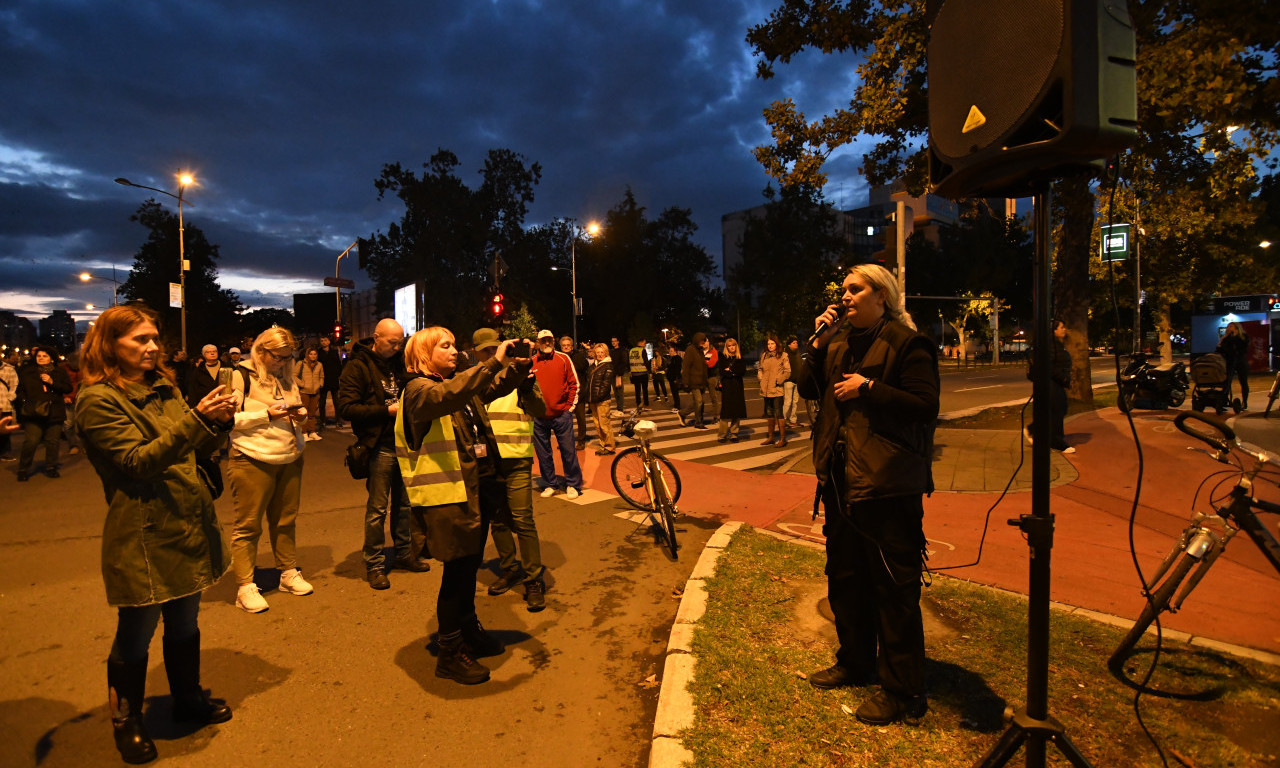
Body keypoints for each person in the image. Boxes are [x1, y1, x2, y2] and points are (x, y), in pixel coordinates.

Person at [75, 305, 238, 764]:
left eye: (153, 339)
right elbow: (136, 462)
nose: (151, 347)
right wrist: (197, 420)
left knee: (186, 622)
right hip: (143, 529)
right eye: (138, 340)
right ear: (109, 345)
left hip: (185, 517)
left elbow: (194, 448)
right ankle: (126, 720)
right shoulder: (97, 400)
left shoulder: (161, 385)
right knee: (136, 632)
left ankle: (187, 698)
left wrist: (217, 421)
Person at [796, 263, 938, 726]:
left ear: (882, 295)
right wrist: (815, 343)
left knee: (893, 588)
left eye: (855, 289)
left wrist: (870, 388)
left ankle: (902, 689)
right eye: (843, 290)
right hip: (840, 483)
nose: (846, 297)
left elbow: (924, 407)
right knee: (845, 576)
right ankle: (856, 661)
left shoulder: (907, 343)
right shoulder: (836, 342)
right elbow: (807, 387)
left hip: (886, 485)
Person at [398, 327, 529, 684]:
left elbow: (491, 388)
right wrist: (493, 362)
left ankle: (469, 630)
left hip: (475, 492)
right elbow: (449, 394)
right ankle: (450, 652)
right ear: (425, 354)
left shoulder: (456, 385)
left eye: (455, 345)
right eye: (445, 346)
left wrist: (520, 363)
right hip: (448, 500)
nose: (455, 351)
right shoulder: (419, 390)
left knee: (468, 571)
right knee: (456, 577)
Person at [225, 328, 312, 614]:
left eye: (288, 357)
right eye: (278, 357)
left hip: (289, 455)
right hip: (252, 456)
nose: (283, 362)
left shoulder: (286, 374)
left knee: (286, 520)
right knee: (248, 525)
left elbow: (294, 409)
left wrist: (300, 416)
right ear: (261, 351)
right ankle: (245, 585)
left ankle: (287, 572)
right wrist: (267, 414)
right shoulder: (239, 375)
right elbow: (228, 419)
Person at [338, 318, 428, 590]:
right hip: (379, 446)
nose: (397, 347)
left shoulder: (400, 363)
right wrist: (385, 411)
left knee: (405, 505)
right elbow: (346, 408)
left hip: (404, 443)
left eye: (400, 342)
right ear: (376, 338)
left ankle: (403, 554)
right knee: (377, 508)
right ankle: (374, 564)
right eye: (392, 342)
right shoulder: (357, 367)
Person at [473, 328, 549, 612]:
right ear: (476, 353)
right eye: (486, 351)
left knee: (523, 519)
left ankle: (533, 579)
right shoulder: (474, 379)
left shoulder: (519, 373)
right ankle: (510, 568)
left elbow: (540, 410)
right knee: (496, 520)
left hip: (516, 458)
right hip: (487, 461)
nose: (493, 355)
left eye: (496, 349)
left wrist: (528, 389)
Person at [531, 329, 583, 499]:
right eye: (543, 340)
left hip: (561, 415)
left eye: (549, 340)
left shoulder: (563, 358)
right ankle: (550, 483)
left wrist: (569, 409)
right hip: (540, 417)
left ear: (554, 341)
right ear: (538, 343)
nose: (547, 343)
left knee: (568, 451)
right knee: (543, 453)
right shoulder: (531, 362)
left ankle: (573, 484)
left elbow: (574, 384)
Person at [15, 346, 72, 480]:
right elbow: (20, 389)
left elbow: (68, 388)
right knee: (31, 441)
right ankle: (23, 468)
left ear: (51, 359)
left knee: (53, 441)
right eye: (39, 356)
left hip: (54, 411)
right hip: (34, 412)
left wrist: (52, 382)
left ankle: (51, 467)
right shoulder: (28, 372)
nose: (41, 358)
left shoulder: (59, 372)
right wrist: (24, 401)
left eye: (44, 356)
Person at [1023, 320, 1075, 454]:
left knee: (1058, 410)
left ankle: (1034, 430)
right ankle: (1056, 441)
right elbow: (1048, 366)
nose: (1064, 329)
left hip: (1054, 382)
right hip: (1050, 383)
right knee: (1057, 410)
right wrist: (1063, 378)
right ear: (1054, 331)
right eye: (1061, 327)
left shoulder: (1056, 345)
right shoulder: (1051, 346)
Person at [758, 333, 792, 446]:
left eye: (772, 343)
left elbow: (787, 371)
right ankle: (771, 437)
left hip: (777, 390)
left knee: (779, 413)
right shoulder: (764, 355)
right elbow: (760, 368)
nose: (770, 346)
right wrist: (761, 378)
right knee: (769, 413)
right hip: (766, 390)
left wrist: (779, 380)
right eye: (768, 344)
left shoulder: (783, 355)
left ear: (776, 344)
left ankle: (783, 438)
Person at [715, 338, 747, 443]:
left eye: (733, 345)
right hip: (727, 386)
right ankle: (722, 435)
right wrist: (733, 372)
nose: (732, 347)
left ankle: (734, 433)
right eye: (729, 345)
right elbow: (722, 372)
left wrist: (731, 371)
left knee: (736, 410)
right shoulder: (723, 358)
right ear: (726, 347)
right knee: (725, 411)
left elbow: (742, 371)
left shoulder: (740, 358)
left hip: (737, 386)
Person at [679, 332, 714, 429]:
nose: (703, 343)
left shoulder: (700, 350)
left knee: (699, 402)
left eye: (704, 341)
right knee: (699, 401)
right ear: (697, 340)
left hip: (701, 381)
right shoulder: (690, 350)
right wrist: (685, 381)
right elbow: (686, 367)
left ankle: (682, 413)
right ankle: (698, 422)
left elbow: (703, 367)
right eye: (702, 341)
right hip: (693, 381)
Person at [561, 335, 590, 450]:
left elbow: (584, 366)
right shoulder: (559, 357)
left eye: (568, 345)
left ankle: (581, 441)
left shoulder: (579, 356)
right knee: (565, 420)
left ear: (572, 346)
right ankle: (566, 442)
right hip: (564, 394)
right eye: (564, 345)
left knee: (580, 418)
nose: (566, 347)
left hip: (578, 393)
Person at [587, 342, 616, 455]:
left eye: (602, 352)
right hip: (593, 399)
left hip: (602, 400)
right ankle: (603, 444)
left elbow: (605, 385)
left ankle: (609, 447)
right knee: (597, 424)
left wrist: (597, 397)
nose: (599, 354)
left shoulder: (608, 366)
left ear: (606, 353)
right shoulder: (593, 366)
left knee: (604, 424)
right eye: (598, 352)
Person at [1216, 321, 1251, 410]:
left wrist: (1234, 338)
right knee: (1227, 381)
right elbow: (1220, 349)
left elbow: (1243, 349)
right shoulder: (1226, 339)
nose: (1228, 328)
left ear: (1236, 328)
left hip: (1240, 361)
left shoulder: (1243, 337)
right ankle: (1223, 401)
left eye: (1231, 326)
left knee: (1243, 382)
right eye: (1228, 326)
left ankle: (1245, 402)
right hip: (1230, 361)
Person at [294, 346, 325, 441]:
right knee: (304, 413)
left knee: (312, 414)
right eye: (311, 354)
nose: (313, 356)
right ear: (307, 354)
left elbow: (321, 376)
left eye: (315, 354)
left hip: (315, 392)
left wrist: (320, 384)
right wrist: (302, 384)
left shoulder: (319, 364)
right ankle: (303, 433)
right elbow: (294, 375)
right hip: (304, 392)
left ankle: (312, 432)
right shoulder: (301, 363)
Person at [316, 335, 345, 430]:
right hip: (323, 379)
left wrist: (338, 374)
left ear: (329, 341)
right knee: (322, 402)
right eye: (322, 340)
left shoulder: (334, 351)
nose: (323, 342)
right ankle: (322, 421)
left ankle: (338, 420)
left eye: (325, 340)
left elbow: (338, 364)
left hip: (333, 379)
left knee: (336, 401)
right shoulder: (318, 353)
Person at [0, 352, 17, 461]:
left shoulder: (8, 369)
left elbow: (14, 385)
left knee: (5, 431)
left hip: (4, 404)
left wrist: (9, 397)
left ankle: (5, 452)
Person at [783, 336, 802, 429]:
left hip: (797, 381)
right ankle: (783, 420)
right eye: (794, 343)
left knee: (795, 402)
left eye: (796, 342)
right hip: (789, 381)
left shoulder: (798, 353)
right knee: (787, 401)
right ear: (789, 344)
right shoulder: (785, 354)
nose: (796, 344)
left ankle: (793, 420)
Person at [627, 337, 650, 411]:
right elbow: (646, 362)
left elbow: (629, 362)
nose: (645, 344)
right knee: (645, 390)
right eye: (644, 343)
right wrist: (650, 371)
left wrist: (630, 370)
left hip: (634, 374)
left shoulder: (631, 350)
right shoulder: (642, 350)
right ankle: (646, 404)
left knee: (637, 390)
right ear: (641, 342)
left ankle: (638, 404)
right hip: (643, 373)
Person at [664, 343, 683, 413]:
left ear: (675, 351)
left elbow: (677, 369)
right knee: (674, 393)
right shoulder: (672, 358)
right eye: (669, 351)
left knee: (675, 393)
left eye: (671, 351)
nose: (670, 352)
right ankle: (676, 405)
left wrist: (676, 378)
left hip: (674, 379)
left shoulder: (677, 358)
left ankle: (677, 406)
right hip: (671, 378)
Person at [609, 337, 627, 411]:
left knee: (620, 392)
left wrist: (619, 374)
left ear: (618, 342)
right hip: (612, 374)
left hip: (618, 374)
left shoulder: (622, 351)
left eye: (615, 341)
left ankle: (620, 408)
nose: (613, 342)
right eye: (612, 341)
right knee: (616, 393)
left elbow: (624, 362)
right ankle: (618, 407)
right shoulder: (611, 351)